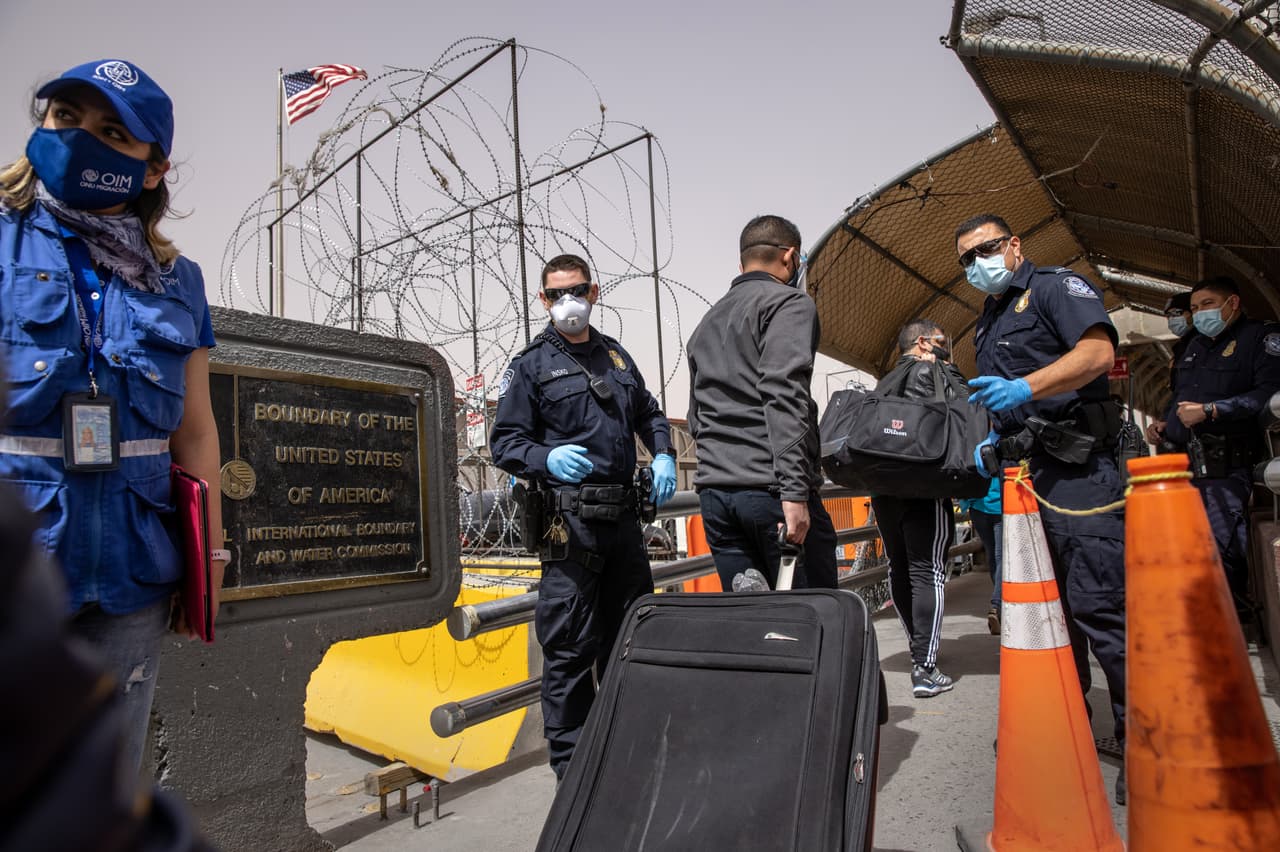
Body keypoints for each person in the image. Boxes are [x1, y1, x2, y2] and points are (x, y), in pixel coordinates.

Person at [0, 59, 225, 775]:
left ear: (152, 169)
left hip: (130, 575)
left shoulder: (176, 280)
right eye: (66, 118)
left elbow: (194, 432)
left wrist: (209, 562)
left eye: (111, 133)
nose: (79, 139)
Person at [956, 213, 1128, 802]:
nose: (975, 263)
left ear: (1013, 245)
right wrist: (993, 434)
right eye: (966, 259)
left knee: (1099, 607)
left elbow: (1099, 355)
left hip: (1080, 473)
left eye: (984, 249)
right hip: (1026, 476)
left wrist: (1027, 388)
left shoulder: (1056, 287)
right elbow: (997, 399)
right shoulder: (988, 318)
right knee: (1046, 612)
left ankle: (1140, 741)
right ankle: (1067, 722)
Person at [489, 253, 675, 781]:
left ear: (594, 292)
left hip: (624, 528)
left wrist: (662, 451)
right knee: (569, 654)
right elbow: (504, 442)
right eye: (555, 294)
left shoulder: (615, 357)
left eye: (576, 290)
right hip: (569, 530)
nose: (567, 302)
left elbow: (649, 412)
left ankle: (628, 755)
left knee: (633, 642)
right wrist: (544, 458)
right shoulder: (530, 366)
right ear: (543, 300)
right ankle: (572, 774)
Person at [686, 214, 838, 591]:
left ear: (742, 264)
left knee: (753, 622)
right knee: (813, 620)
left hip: (717, 498)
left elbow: (696, 418)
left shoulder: (707, 321)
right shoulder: (789, 304)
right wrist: (794, 492)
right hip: (770, 493)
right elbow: (784, 393)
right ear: (790, 258)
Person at [1144, 276, 1280, 608]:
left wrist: (1213, 411)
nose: (1199, 313)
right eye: (1194, 308)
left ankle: (1231, 620)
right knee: (1188, 549)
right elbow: (1182, 396)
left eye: (1207, 304)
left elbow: (1266, 395)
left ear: (1232, 303)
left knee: (1221, 546)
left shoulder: (1260, 338)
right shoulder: (1195, 346)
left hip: (1226, 464)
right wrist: (1165, 422)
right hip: (1185, 464)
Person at [870, 319, 969, 697]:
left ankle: (919, 648)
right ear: (925, 343)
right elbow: (963, 408)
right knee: (929, 571)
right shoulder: (934, 371)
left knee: (899, 567)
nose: (947, 348)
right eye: (942, 341)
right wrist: (949, 369)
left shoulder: (887, 381)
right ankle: (925, 667)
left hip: (885, 488)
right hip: (923, 487)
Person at [958, 463, 1002, 635]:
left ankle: (999, 606)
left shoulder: (977, 441)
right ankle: (997, 605)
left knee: (992, 555)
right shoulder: (1002, 438)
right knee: (1001, 557)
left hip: (978, 506)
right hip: (1000, 505)